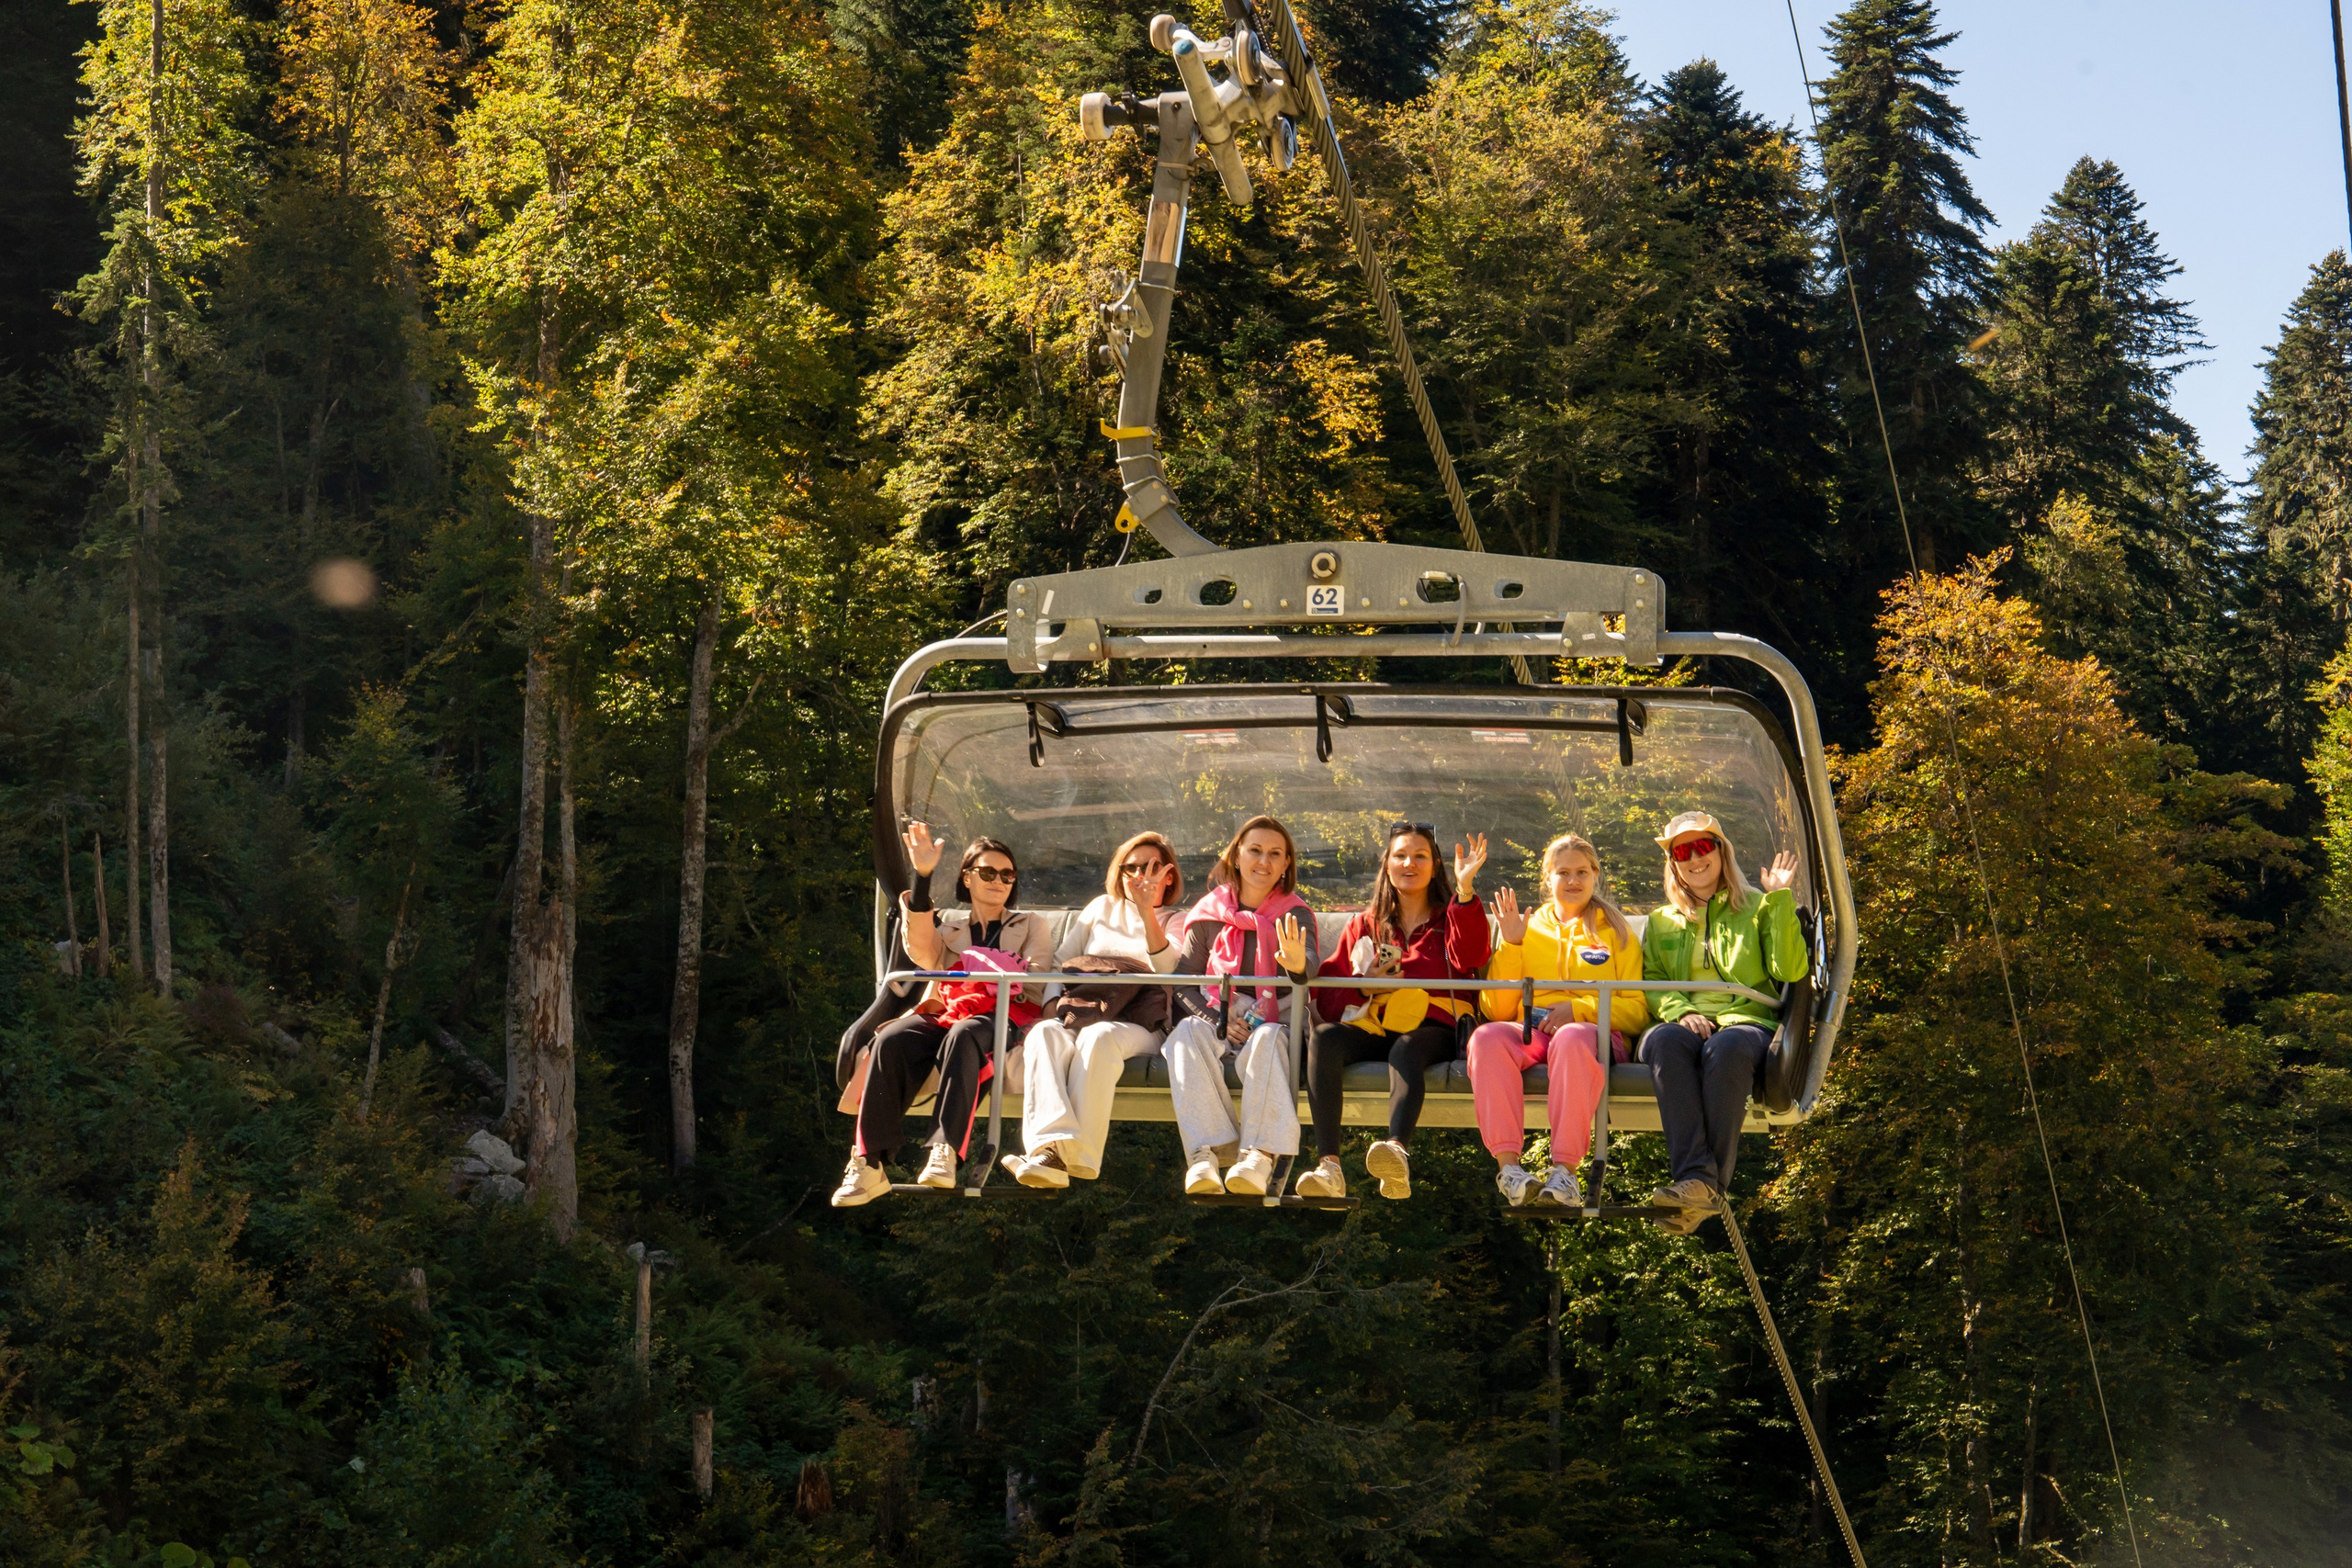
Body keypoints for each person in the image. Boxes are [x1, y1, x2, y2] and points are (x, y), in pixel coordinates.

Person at [832, 824, 1056, 1207]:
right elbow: (919, 947)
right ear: (967, 878)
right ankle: (869, 1164)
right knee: (888, 1040)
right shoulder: (949, 930)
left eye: (1007, 875)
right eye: (987, 873)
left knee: (965, 1034)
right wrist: (922, 876)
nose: (998, 881)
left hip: (1002, 1013)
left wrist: (979, 975)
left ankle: (944, 1149)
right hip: (947, 1010)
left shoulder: (1031, 925)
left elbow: (1033, 982)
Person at [1300, 822, 1492, 1201]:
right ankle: (1329, 1166)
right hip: (1377, 1024)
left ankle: (1397, 1150)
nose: (1410, 863)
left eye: (1420, 856)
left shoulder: (1451, 916)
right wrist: (1363, 985)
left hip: (1435, 1028)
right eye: (1401, 855)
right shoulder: (1365, 924)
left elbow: (1472, 956)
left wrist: (1466, 889)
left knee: (1406, 1048)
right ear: (1386, 864)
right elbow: (1327, 999)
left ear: (1435, 866)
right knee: (1325, 1038)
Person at [1639, 810, 1807, 1233]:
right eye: (1683, 850)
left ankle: (1697, 1184)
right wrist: (1682, 1011)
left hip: (1745, 1020)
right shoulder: (1661, 921)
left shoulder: (1756, 905)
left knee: (1726, 1048)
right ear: (1673, 861)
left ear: (1721, 851)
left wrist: (1780, 899)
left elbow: (1788, 970)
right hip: (1685, 1021)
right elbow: (1654, 980)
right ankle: (1701, 1185)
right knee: (1662, 1043)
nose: (1695, 858)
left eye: (1703, 846)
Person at [1466, 833, 1648, 1207]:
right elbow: (1497, 1010)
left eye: (1582, 871)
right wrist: (1512, 946)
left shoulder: (1616, 931)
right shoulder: (1526, 928)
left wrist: (1579, 1009)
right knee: (1486, 1039)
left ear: (1596, 875)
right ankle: (1510, 1169)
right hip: (1534, 1032)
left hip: (1592, 1035)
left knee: (1572, 1038)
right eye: (1562, 872)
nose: (1573, 881)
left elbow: (1636, 1011)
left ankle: (1565, 1171)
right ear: (1546, 878)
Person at [1001, 832, 1185, 1188]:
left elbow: (1169, 970)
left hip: (1138, 1024)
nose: (1138, 875)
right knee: (1044, 1034)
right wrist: (1053, 1003)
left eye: (1150, 867)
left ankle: (1076, 1157)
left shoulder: (1175, 920)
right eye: (1130, 867)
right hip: (1082, 1011)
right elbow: (1059, 961)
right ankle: (1047, 1149)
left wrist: (1147, 911)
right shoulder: (1100, 908)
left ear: (1169, 875)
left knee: (1100, 1038)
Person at [1162, 816, 1319, 1197]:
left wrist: (1297, 961)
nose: (1263, 861)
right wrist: (1217, 1020)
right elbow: (1184, 984)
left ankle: (1259, 1156)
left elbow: (1309, 968)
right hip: (1221, 1017)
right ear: (1236, 856)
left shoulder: (1294, 914)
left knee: (1267, 1037)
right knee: (1184, 1034)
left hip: (1276, 1023)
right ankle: (1207, 1153)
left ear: (1286, 865)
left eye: (1275, 854)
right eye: (1255, 850)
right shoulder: (1208, 914)